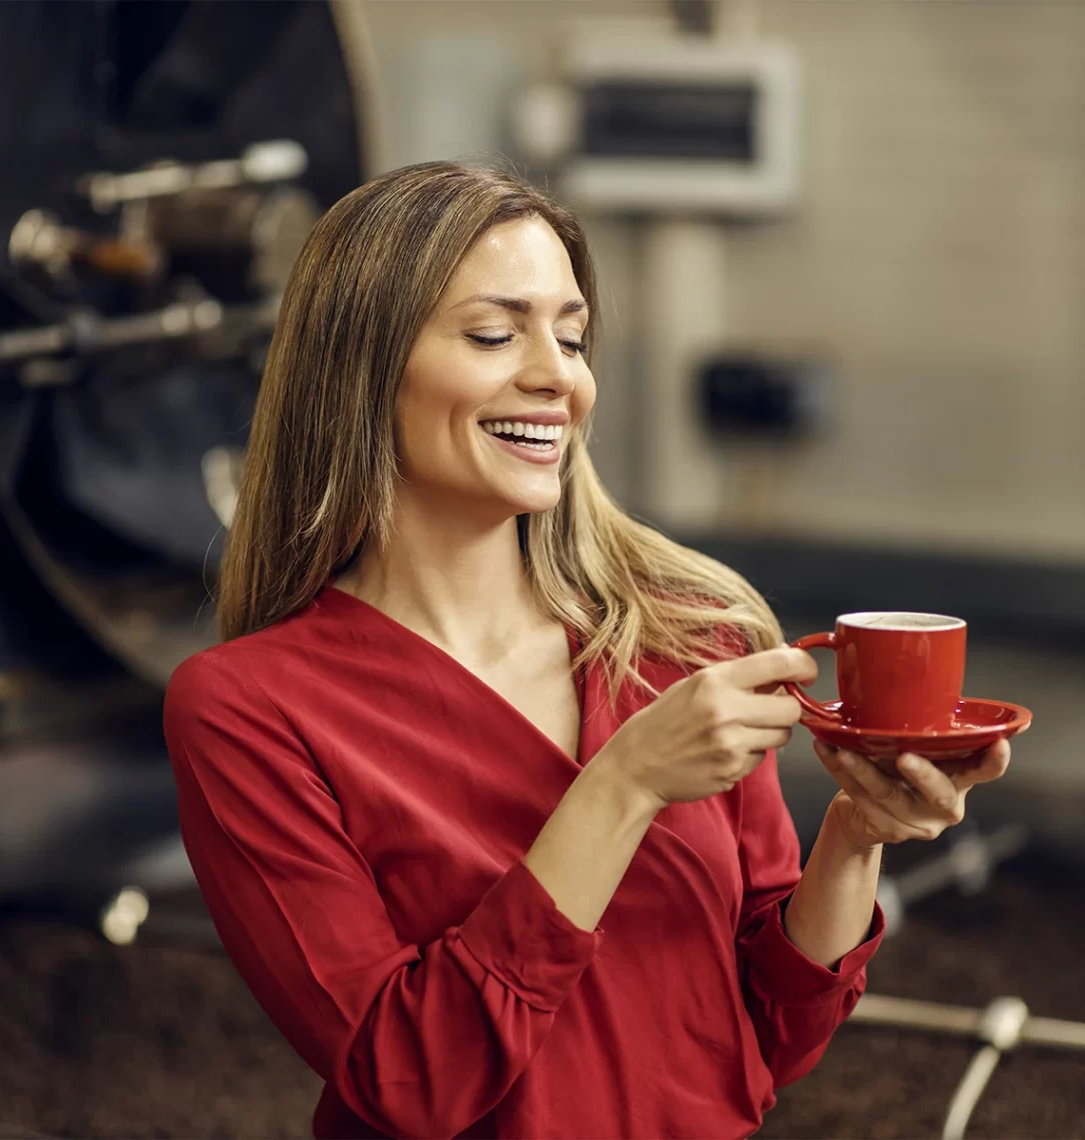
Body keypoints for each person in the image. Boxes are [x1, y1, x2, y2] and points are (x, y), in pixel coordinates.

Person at [163, 161, 1012, 1140]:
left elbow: (772, 1035)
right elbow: (408, 1081)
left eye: (570, 336)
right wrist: (623, 784)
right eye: (494, 333)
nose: (557, 374)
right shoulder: (247, 709)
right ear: (362, 364)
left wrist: (857, 835)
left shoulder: (691, 638)